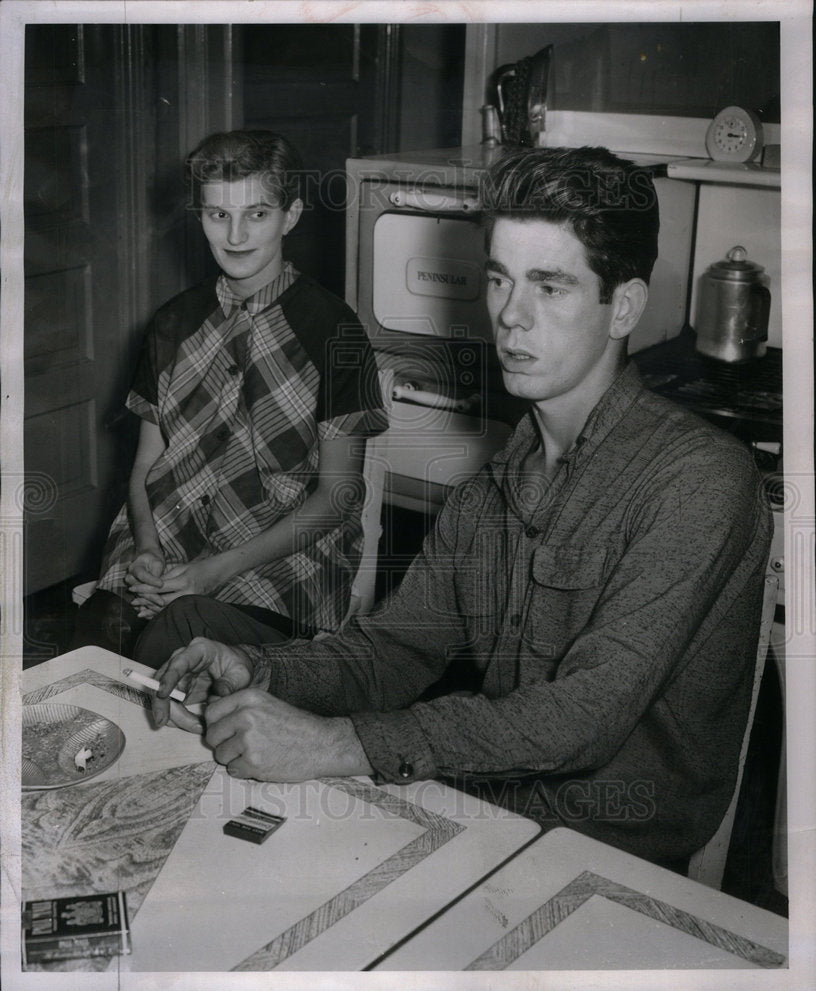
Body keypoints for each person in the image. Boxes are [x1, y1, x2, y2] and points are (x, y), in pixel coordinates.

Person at [151, 146, 772, 872]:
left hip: (607, 863)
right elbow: (393, 651)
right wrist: (256, 669)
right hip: (481, 813)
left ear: (623, 306)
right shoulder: (493, 484)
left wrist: (335, 744)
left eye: (551, 286)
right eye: (502, 279)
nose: (511, 315)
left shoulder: (698, 480)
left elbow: (581, 720)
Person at [71, 130, 388, 664]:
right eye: (218, 215)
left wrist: (214, 571)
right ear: (199, 217)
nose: (236, 235)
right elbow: (146, 466)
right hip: (168, 537)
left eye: (257, 214)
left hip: (281, 557)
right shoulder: (172, 323)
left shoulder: (333, 330)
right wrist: (146, 548)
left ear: (291, 216)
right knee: (88, 649)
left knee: (171, 646)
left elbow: (338, 496)